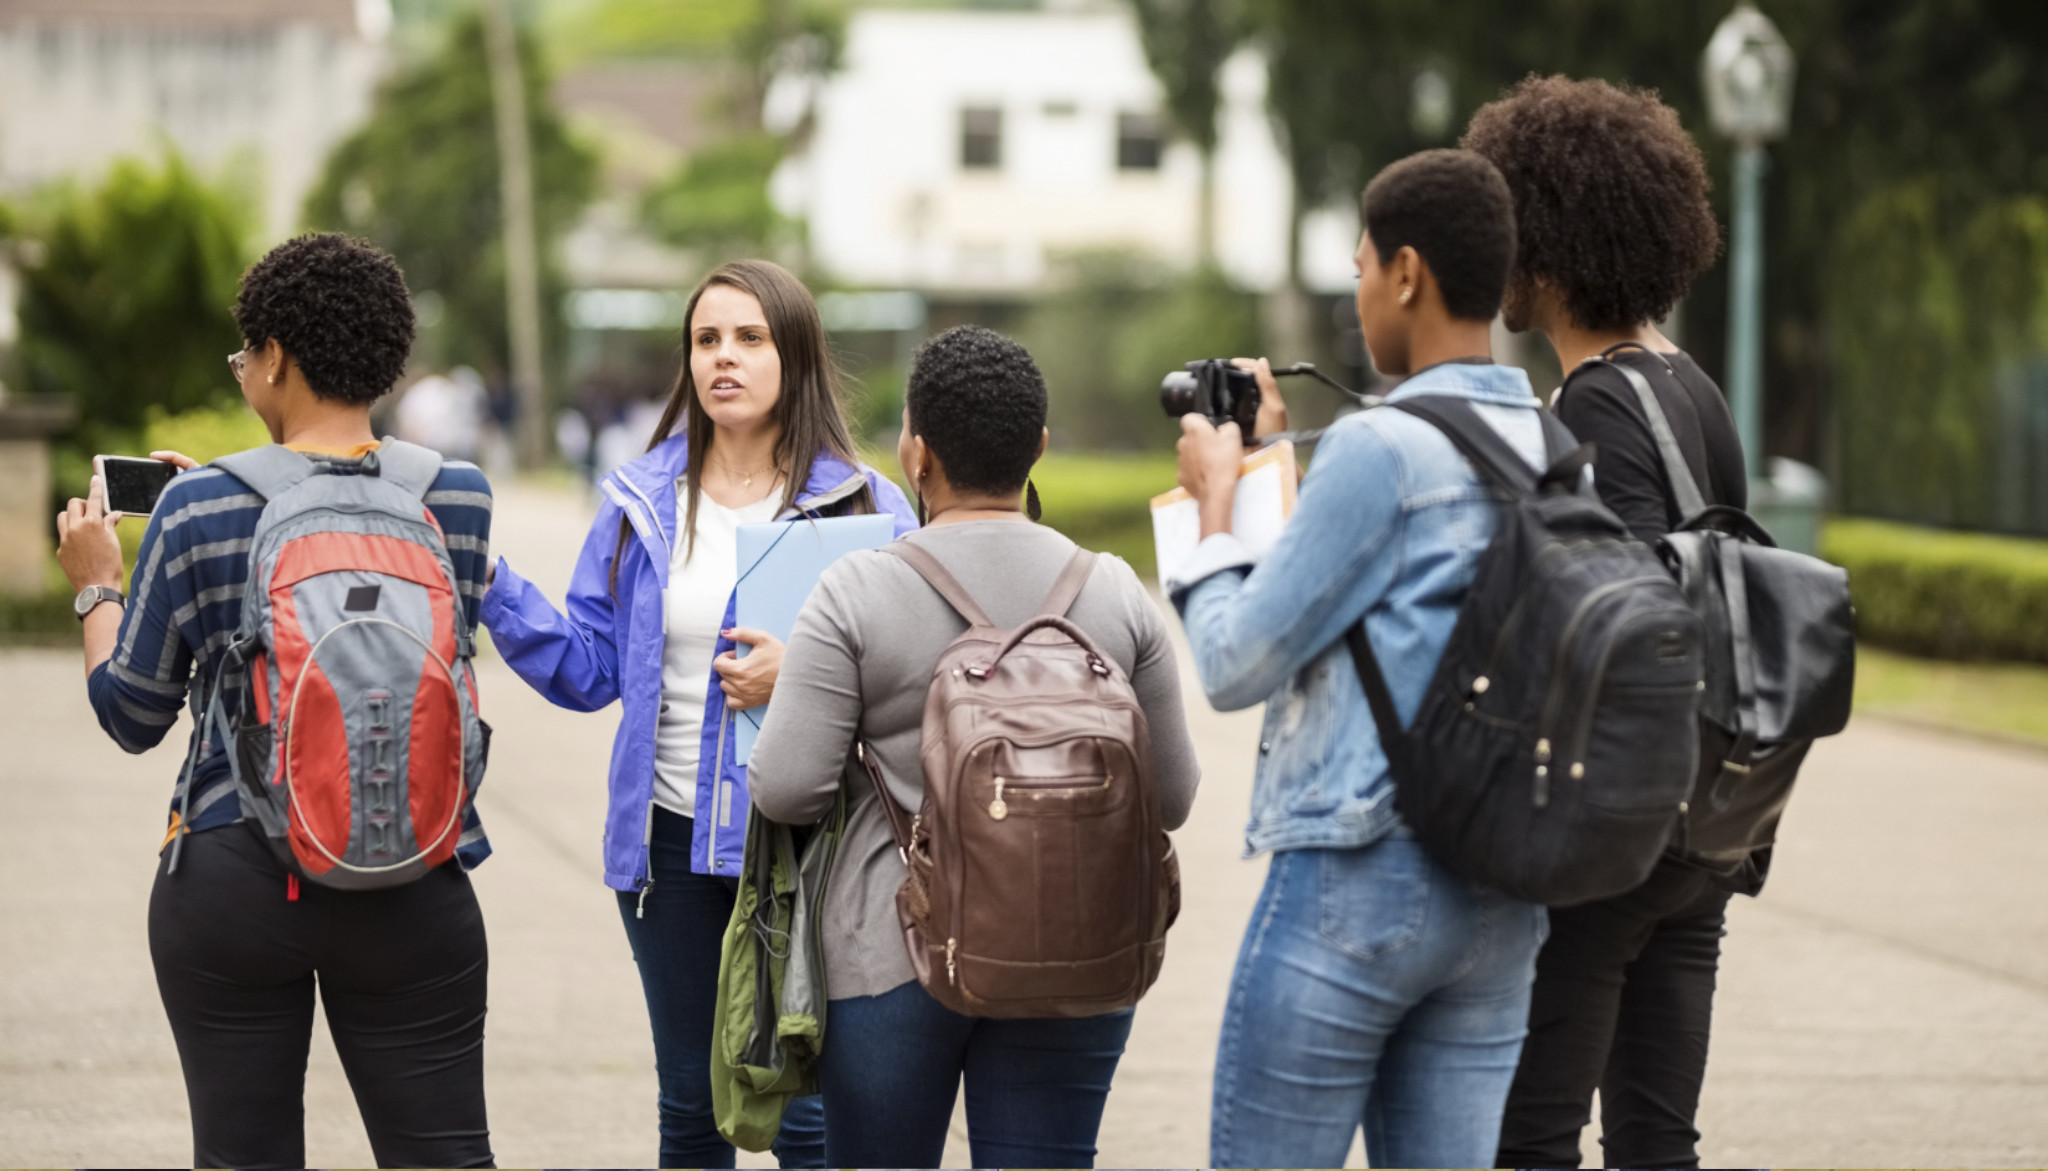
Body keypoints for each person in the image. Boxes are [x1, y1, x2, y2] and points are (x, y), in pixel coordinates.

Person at [55, 233, 497, 1169]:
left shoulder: (198, 507)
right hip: (416, 861)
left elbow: (130, 712)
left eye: (245, 352)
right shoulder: (457, 494)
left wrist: (100, 586)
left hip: (236, 880)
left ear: (276, 360)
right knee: (446, 1156)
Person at [479, 259, 915, 1169]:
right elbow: (590, 669)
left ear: (794, 355)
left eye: (750, 338)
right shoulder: (640, 501)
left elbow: (923, 679)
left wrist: (807, 675)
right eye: (706, 339)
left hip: (811, 846)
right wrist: (490, 583)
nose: (725, 358)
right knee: (691, 1110)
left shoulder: (868, 505)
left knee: (808, 1116)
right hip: (668, 846)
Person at [1170, 150, 1550, 1169]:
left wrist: (1215, 503)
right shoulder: (1554, 447)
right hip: (1504, 900)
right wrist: (1279, 466)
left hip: (1360, 878)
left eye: (1358, 269)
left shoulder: (1382, 449)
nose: (1358, 292)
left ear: (1407, 274)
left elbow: (1232, 661)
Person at [747, 324, 1203, 1169]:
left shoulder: (855, 591)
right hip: (1079, 948)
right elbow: (1170, 797)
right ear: (1038, 447)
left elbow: (785, 789)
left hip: (892, 952)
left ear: (914, 453)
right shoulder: (1114, 592)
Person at [1462, 75, 1745, 1170]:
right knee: (1653, 1140)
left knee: (1527, 1140)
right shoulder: (1690, 387)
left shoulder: (1593, 406)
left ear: (1545, 247)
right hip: (1706, 822)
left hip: (1622, 829)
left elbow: (1622, 613)